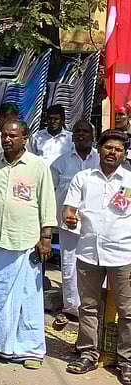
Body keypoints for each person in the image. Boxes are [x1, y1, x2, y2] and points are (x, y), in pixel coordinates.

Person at [0, 120, 55, 370]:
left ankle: (29, 348)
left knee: (28, 296)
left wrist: (46, 237)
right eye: (4, 136)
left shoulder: (38, 166)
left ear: (25, 136)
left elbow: (47, 203)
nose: (7, 139)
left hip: (27, 242)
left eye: (13, 135)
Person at [62, 130, 131, 383]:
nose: (113, 152)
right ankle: (87, 354)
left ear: (124, 154)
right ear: (99, 149)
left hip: (123, 254)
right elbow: (69, 209)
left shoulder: (130, 181)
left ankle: (127, 361)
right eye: (108, 147)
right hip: (89, 253)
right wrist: (69, 217)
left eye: (118, 149)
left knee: (127, 311)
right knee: (88, 307)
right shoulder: (83, 178)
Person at [49, 120, 97, 330]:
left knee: (94, 267)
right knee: (69, 266)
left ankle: (91, 308)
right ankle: (71, 308)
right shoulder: (61, 162)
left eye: (85, 131)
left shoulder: (100, 159)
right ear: (72, 136)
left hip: (95, 226)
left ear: (92, 136)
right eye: (77, 131)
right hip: (68, 224)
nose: (81, 135)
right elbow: (49, 191)